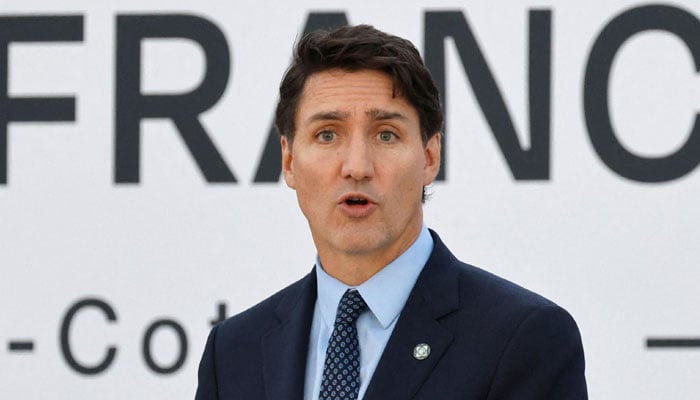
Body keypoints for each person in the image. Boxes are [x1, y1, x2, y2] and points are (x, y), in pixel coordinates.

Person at [195, 24, 587, 400]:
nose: (356, 166)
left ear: (430, 157)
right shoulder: (232, 352)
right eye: (327, 134)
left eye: (386, 134)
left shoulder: (523, 338)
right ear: (289, 160)